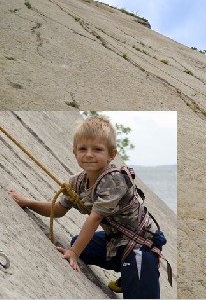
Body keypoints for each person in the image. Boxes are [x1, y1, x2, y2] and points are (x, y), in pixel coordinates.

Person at [7, 115, 166, 299]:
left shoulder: (113, 180)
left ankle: (138, 276)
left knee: (139, 289)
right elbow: (58, 209)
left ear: (111, 154)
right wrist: (27, 202)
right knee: (80, 243)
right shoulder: (78, 182)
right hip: (115, 241)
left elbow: (95, 217)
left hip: (140, 244)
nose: (89, 154)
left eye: (97, 149)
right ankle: (130, 273)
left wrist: (73, 253)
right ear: (75, 152)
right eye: (83, 149)